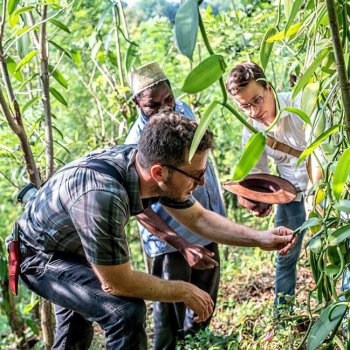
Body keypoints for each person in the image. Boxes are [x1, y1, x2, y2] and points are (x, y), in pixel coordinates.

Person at [17, 110, 295, 349]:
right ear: (160, 173)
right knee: (123, 312)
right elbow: (117, 282)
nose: (201, 183)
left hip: (76, 246)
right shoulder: (104, 194)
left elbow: (199, 219)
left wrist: (260, 238)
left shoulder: (148, 167)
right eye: (196, 176)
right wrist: (183, 290)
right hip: (41, 255)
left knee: (74, 335)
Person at [126, 62, 225, 349]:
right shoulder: (136, 144)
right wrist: (182, 244)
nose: (165, 109)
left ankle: (197, 342)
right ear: (137, 104)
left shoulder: (183, 111)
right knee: (170, 306)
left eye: (168, 99)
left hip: (204, 224)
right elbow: (140, 208)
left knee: (205, 298)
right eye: (153, 105)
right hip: (171, 240)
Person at [226, 61, 314, 310]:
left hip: (322, 190)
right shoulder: (252, 128)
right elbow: (257, 175)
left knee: (332, 248)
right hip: (291, 195)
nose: (253, 111)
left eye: (257, 100)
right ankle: (282, 315)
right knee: (284, 254)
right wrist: (257, 200)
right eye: (244, 106)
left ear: (269, 88)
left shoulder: (298, 105)